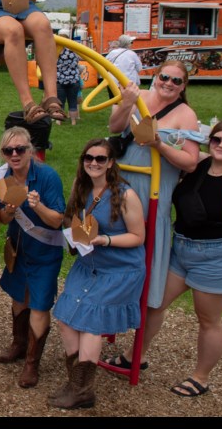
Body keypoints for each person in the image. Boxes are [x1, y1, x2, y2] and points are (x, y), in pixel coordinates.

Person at [109, 120, 222, 399]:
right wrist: (155, 140)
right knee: (155, 303)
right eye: (217, 140)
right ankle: (135, 356)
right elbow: (174, 156)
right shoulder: (200, 163)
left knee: (208, 319)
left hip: (215, 255)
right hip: (181, 248)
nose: (221, 146)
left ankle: (200, 377)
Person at [49, 138, 145, 409]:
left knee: (90, 322)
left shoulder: (125, 195)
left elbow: (138, 237)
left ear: (111, 163)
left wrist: (106, 240)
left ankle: (82, 390)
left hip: (120, 269)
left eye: (100, 159)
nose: (93, 163)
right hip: (89, 265)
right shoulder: (81, 189)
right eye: (88, 158)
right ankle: (77, 382)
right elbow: (72, 222)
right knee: (65, 317)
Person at [109, 59, 199, 311]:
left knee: (144, 241)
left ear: (183, 86)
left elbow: (191, 163)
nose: (168, 84)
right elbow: (114, 127)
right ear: (156, 77)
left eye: (176, 81)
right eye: (164, 77)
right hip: (123, 179)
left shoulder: (185, 114)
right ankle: (111, 292)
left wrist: (159, 144)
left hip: (154, 188)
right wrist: (126, 103)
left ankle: (142, 299)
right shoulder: (140, 96)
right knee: (115, 231)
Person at [0, 127, 66, 388]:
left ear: (30, 150)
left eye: (20, 149)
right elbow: (1, 219)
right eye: (8, 150)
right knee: (18, 299)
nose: (14, 154)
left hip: (45, 252)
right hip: (18, 248)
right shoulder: (2, 178)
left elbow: (58, 221)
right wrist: (10, 212)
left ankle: (32, 363)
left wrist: (38, 206)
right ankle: (19, 344)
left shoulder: (47, 177)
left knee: (39, 305)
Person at [55, 28, 82, 126]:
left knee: (60, 102)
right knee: (73, 102)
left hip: (60, 80)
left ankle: (59, 121)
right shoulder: (74, 50)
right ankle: (73, 122)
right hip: (74, 80)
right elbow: (81, 59)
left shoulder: (56, 51)